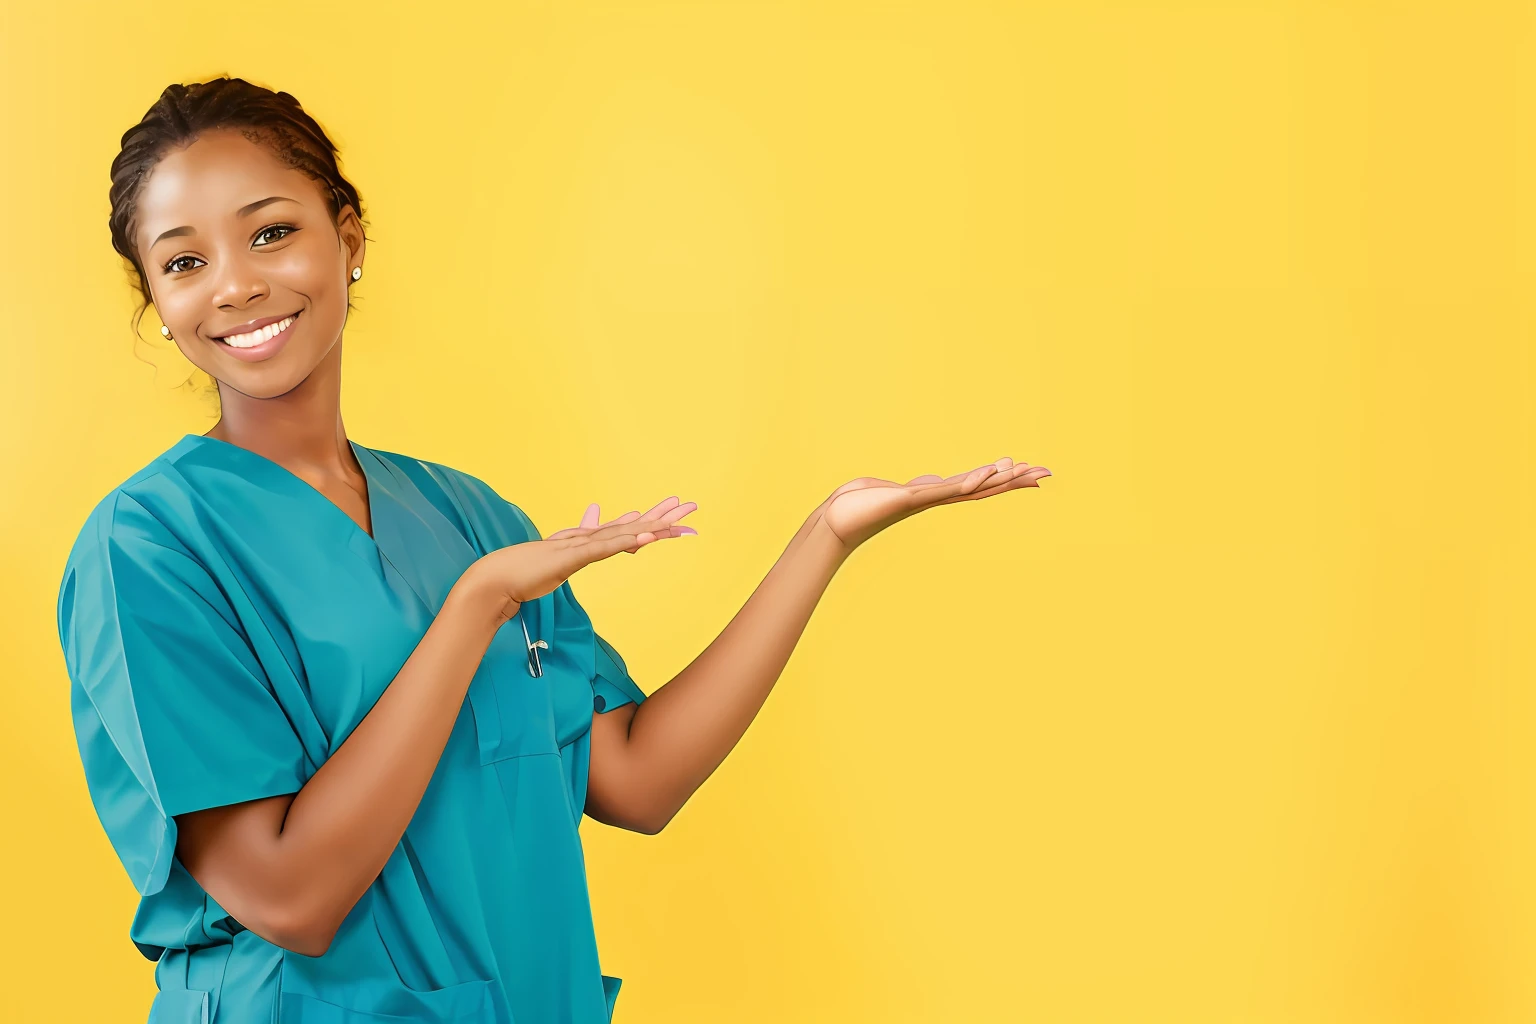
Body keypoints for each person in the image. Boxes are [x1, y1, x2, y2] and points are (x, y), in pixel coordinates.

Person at [56, 76, 1053, 1024]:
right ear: (154, 294)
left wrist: (827, 535)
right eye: (184, 260)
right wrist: (474, 608)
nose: (235, 285)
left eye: (271, 232)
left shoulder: (468, 513)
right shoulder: (149, 548)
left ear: (347, 239)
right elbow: (291, 896)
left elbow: (636, 781)